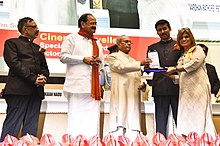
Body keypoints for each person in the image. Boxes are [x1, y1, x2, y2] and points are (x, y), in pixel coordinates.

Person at [0, 17, 49, 141]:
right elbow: (14, 63)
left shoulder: (37, 48)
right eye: (34, 27)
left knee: (31, 127)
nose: (37, 30)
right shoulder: (12, 43)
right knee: (12, 125)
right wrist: (33, 78)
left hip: (36, 91)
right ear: (25, 29)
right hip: (18, 90)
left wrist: (43, 77)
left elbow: (44, 68)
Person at [59, 13, 104, 139]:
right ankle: (76, 141)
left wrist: (102, 83)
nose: (94, 26)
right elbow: (63, 57)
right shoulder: (72, 38)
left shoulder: (97, 42)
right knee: (76, 118)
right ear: (82, 24)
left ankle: (91, 141)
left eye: (95, 23)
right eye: (92, 23)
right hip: (77, 86)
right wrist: (83, 59)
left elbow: (102, 64)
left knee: (93, 118)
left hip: (93, 88)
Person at [166, 28, 216, 137]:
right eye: (181, 38)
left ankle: (202, 139)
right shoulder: (182, 55)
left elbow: (194, 64)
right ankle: (187, 139)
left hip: (199, 90)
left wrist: (175, 69)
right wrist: (171, 76)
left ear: (191, 38)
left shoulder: (197, 49)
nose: (184, 39)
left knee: (199, 116)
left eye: (186, 37)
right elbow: (182, 77)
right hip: (185, 92)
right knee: (186, 116)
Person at [108, 35, 152, 139]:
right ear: (119, 44)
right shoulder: (113, 57)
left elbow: (137, 76)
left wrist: (143, 85)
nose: (128, 44)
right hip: (121, 95)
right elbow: (120, 67)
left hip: (133, 96)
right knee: (119, 126)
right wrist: (140, 63)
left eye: (130, 42)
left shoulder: (133, 60)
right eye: (125, 42)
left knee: (133, 127)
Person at [147, 19, 182, 138]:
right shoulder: (152, 47)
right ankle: (160, 142)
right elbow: (150, 67)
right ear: (157, 32)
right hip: (160, 88)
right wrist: (147, 66)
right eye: (159, 30)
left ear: (169, 29)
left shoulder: (179, 45)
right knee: (161, 122)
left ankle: (184, 142)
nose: (162, 31)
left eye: (164, 29)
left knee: (180, 120)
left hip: (177, 87)